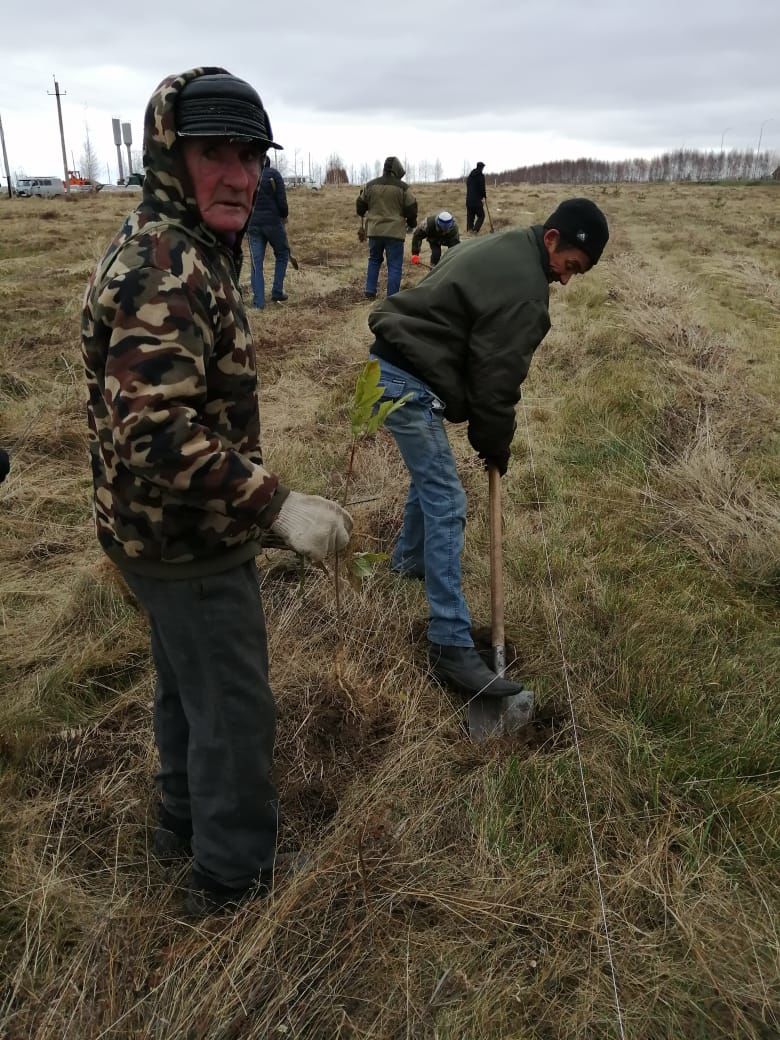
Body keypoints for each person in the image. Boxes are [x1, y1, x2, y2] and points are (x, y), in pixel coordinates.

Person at [81, 67, 352, 917]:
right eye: (215, 154)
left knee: (184, 687)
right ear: (171, 156)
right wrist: (273, 504)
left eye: (251, 156)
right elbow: (152, 429)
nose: (240, 174)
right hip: (184, 544)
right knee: (233, 713)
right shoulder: (166, 266)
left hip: (156, 533)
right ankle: (232, 884)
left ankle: (177, 824)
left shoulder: (186, 244)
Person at [367, 198, 609, 698]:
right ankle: (451, 643)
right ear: (552, 240)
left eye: (577, 274)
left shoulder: (508, 245)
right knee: (448, 499)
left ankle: (409, 564)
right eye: (570, 266)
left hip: (392, 365)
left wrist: (487, 434)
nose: (566, 280)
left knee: (432, 480)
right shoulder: (525, 291)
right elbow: (496, 378)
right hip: (407, 379)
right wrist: (495, 445)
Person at [356, 157, 417, 299]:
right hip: (395, 234)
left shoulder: (370, 185)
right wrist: (412, 224)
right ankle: (392, 298)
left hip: (374, 231)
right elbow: (412, 209)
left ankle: (370, 291)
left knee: (374, 260)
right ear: (397, 170)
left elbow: (360, 206)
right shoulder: (403, 188)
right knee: (394, 266)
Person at [247, 155, 290, 307]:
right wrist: (284, 215)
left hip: (252, 224)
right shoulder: (273, 174)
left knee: (256, 263)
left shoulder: (248, 174)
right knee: (283, 253)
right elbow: (282, 202)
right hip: (273, 223)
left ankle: (258, 303)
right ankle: (277, 291)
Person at [465, 161, 487, 233]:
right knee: (481, 216)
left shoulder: (470, 176)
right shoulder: (481, 176)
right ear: (481, 167)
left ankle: (469, 231)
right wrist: (484, 196)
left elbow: (467, 184)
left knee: (470, 217)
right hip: (476, 200)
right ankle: (475, 230)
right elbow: (482, 188)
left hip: (468, 200)